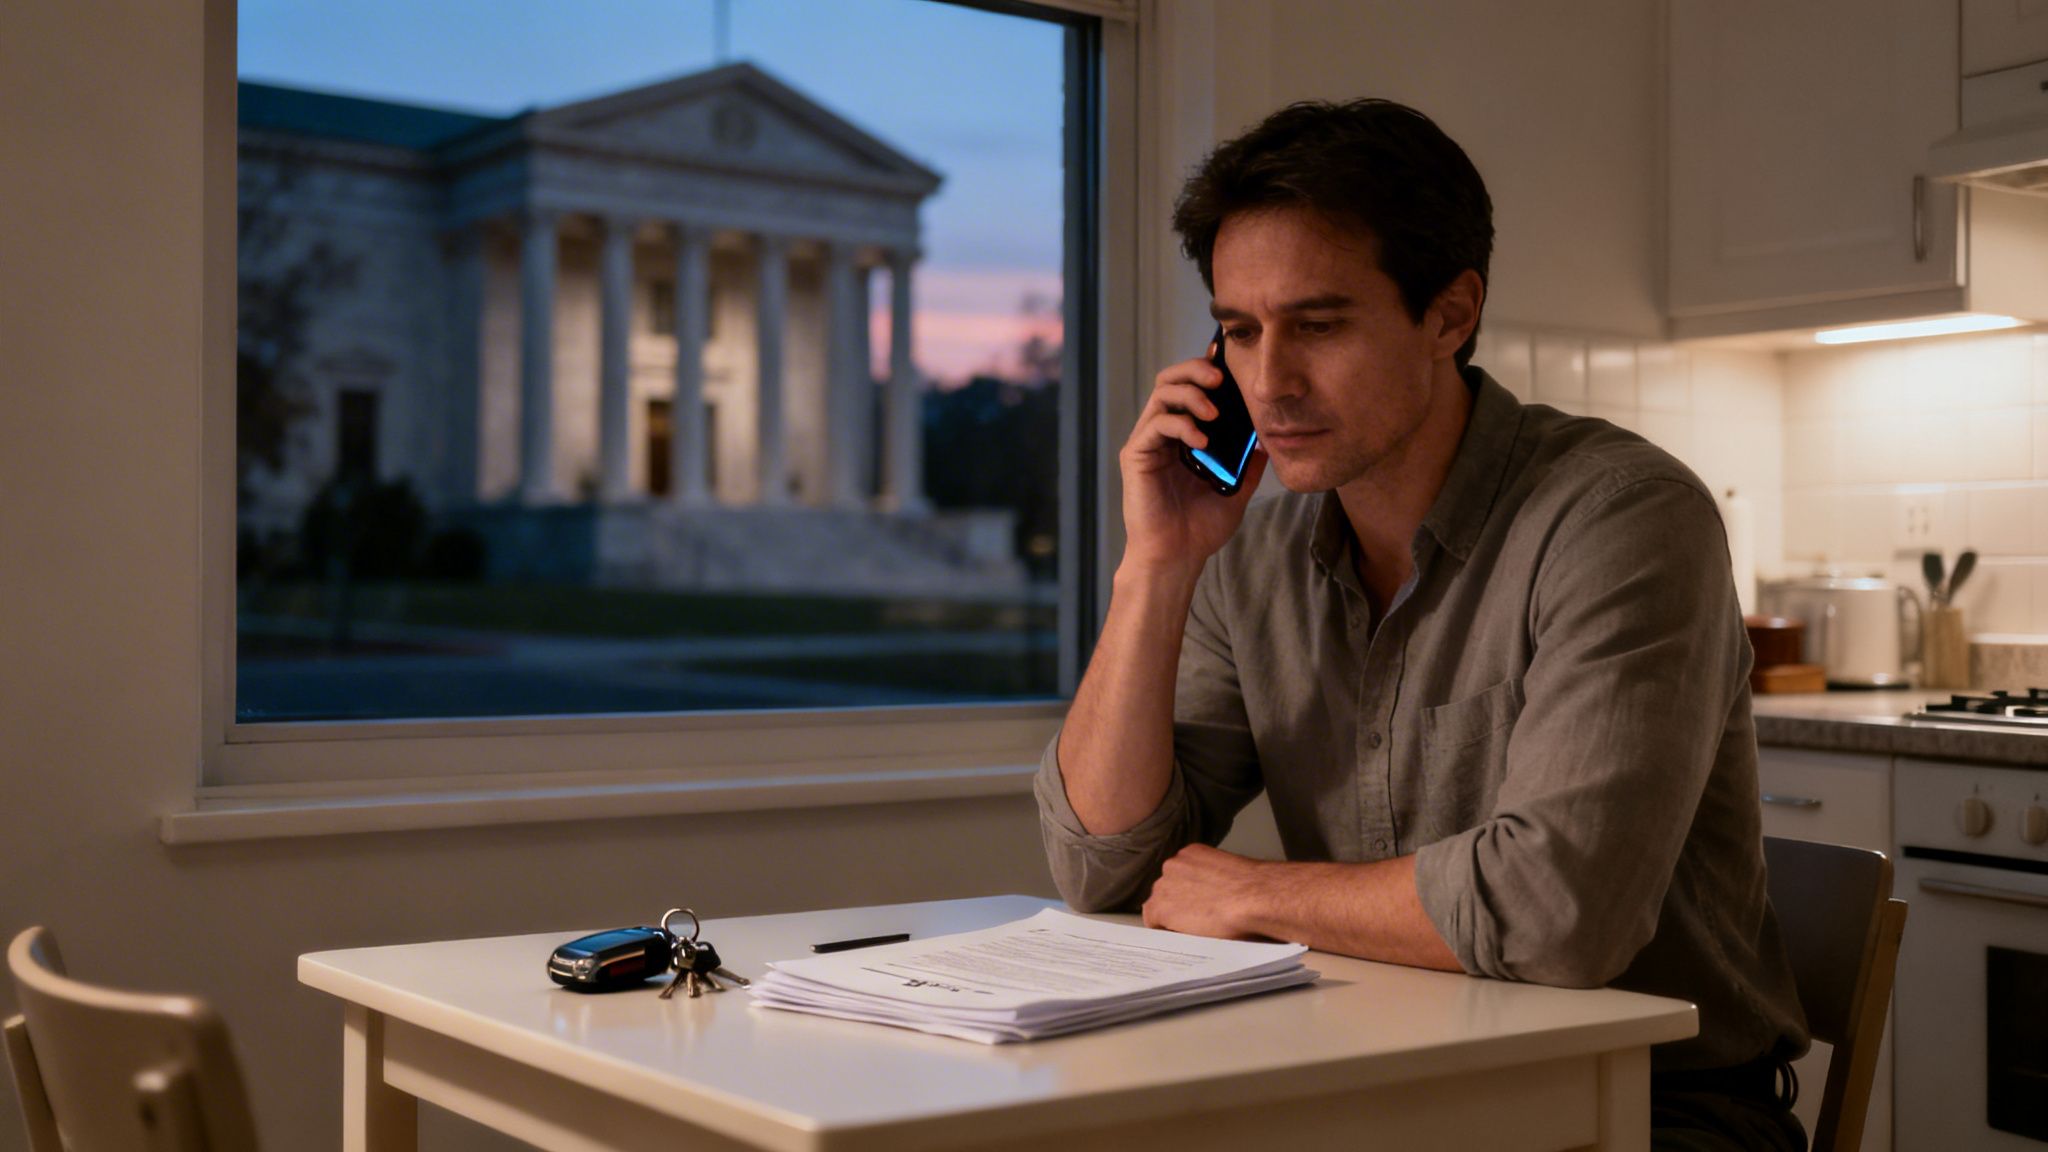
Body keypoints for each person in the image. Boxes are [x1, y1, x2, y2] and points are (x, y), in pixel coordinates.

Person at [1034, 98, 1810, 1151]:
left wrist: (1260, 892)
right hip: (1375, 1085)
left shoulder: (1620, 514)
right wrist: (1154, 567)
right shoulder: (1251, 556)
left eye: (1316, 324)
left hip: (1646, 1107)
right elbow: (1104, 868)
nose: (1267, 382)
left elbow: (1558, 915)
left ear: (1449, 314)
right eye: (1236, 330)